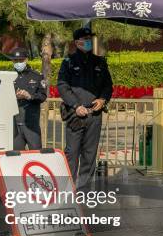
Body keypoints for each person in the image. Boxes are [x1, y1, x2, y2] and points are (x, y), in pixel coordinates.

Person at [57, 27, 113, 189]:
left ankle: (85, 188)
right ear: (77, 42)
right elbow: (62, 86)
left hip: (94, 115)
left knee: (90, 154)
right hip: (75, 114)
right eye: (85, 38)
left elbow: (108, 85)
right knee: (72, 152)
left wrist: (103, 99)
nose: (88, 41)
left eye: (90, 38)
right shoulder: (68, 62)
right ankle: (69, 187)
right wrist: (75, 105)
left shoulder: (100, 61)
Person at [9, 47, 47, 150]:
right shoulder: (8, 77)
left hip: (31, 124)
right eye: (15, 60)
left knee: (36, 155)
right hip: (14, 124)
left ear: (26, 60)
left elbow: (43, 96)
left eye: (20, 60)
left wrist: (29, 96)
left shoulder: (36, 76)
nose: (18, 63)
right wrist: (13, 97)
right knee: (15, 157)